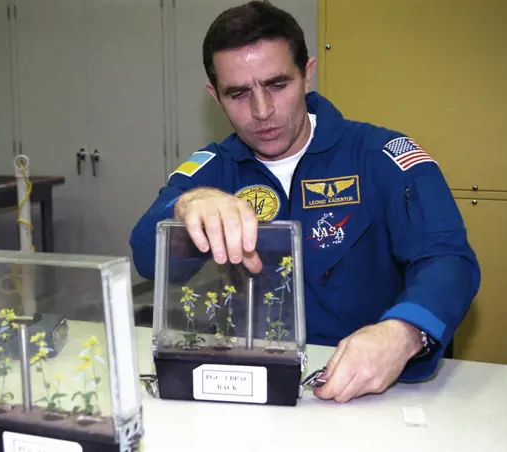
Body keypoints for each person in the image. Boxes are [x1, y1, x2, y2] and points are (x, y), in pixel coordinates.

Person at [129, 0, 480, 403]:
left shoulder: (380, 156)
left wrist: (403, 331)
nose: (261, 111)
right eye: (239, 94)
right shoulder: (214, 169)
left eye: (278, 85)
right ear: (215, 96)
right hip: (258, 386)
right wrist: (185, 206)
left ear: (307, 74)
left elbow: (449, 259)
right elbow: (143, 253)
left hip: (375, 393)